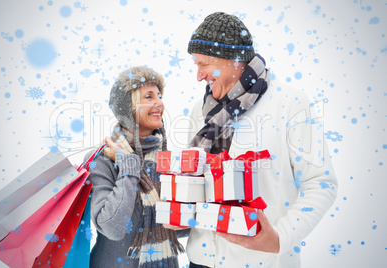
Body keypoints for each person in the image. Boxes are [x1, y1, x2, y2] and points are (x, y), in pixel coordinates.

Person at [184, 12, 338, 268]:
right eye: (195, 65)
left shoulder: (290, 104)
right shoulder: (200, 111)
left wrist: (280, 238)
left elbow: (321, 183)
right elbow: (192, 183)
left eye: (204, 64)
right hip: (199, 261)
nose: (198, 75)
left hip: (261, 261)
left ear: (232, 60)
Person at [86, 66, 184, 267]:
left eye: (159, 95)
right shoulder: (103, 160)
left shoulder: (165, 160)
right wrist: (129, 167)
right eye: (148, 96)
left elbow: (176, 227)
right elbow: (112, 228)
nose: (159, 103)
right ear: (128, 110)